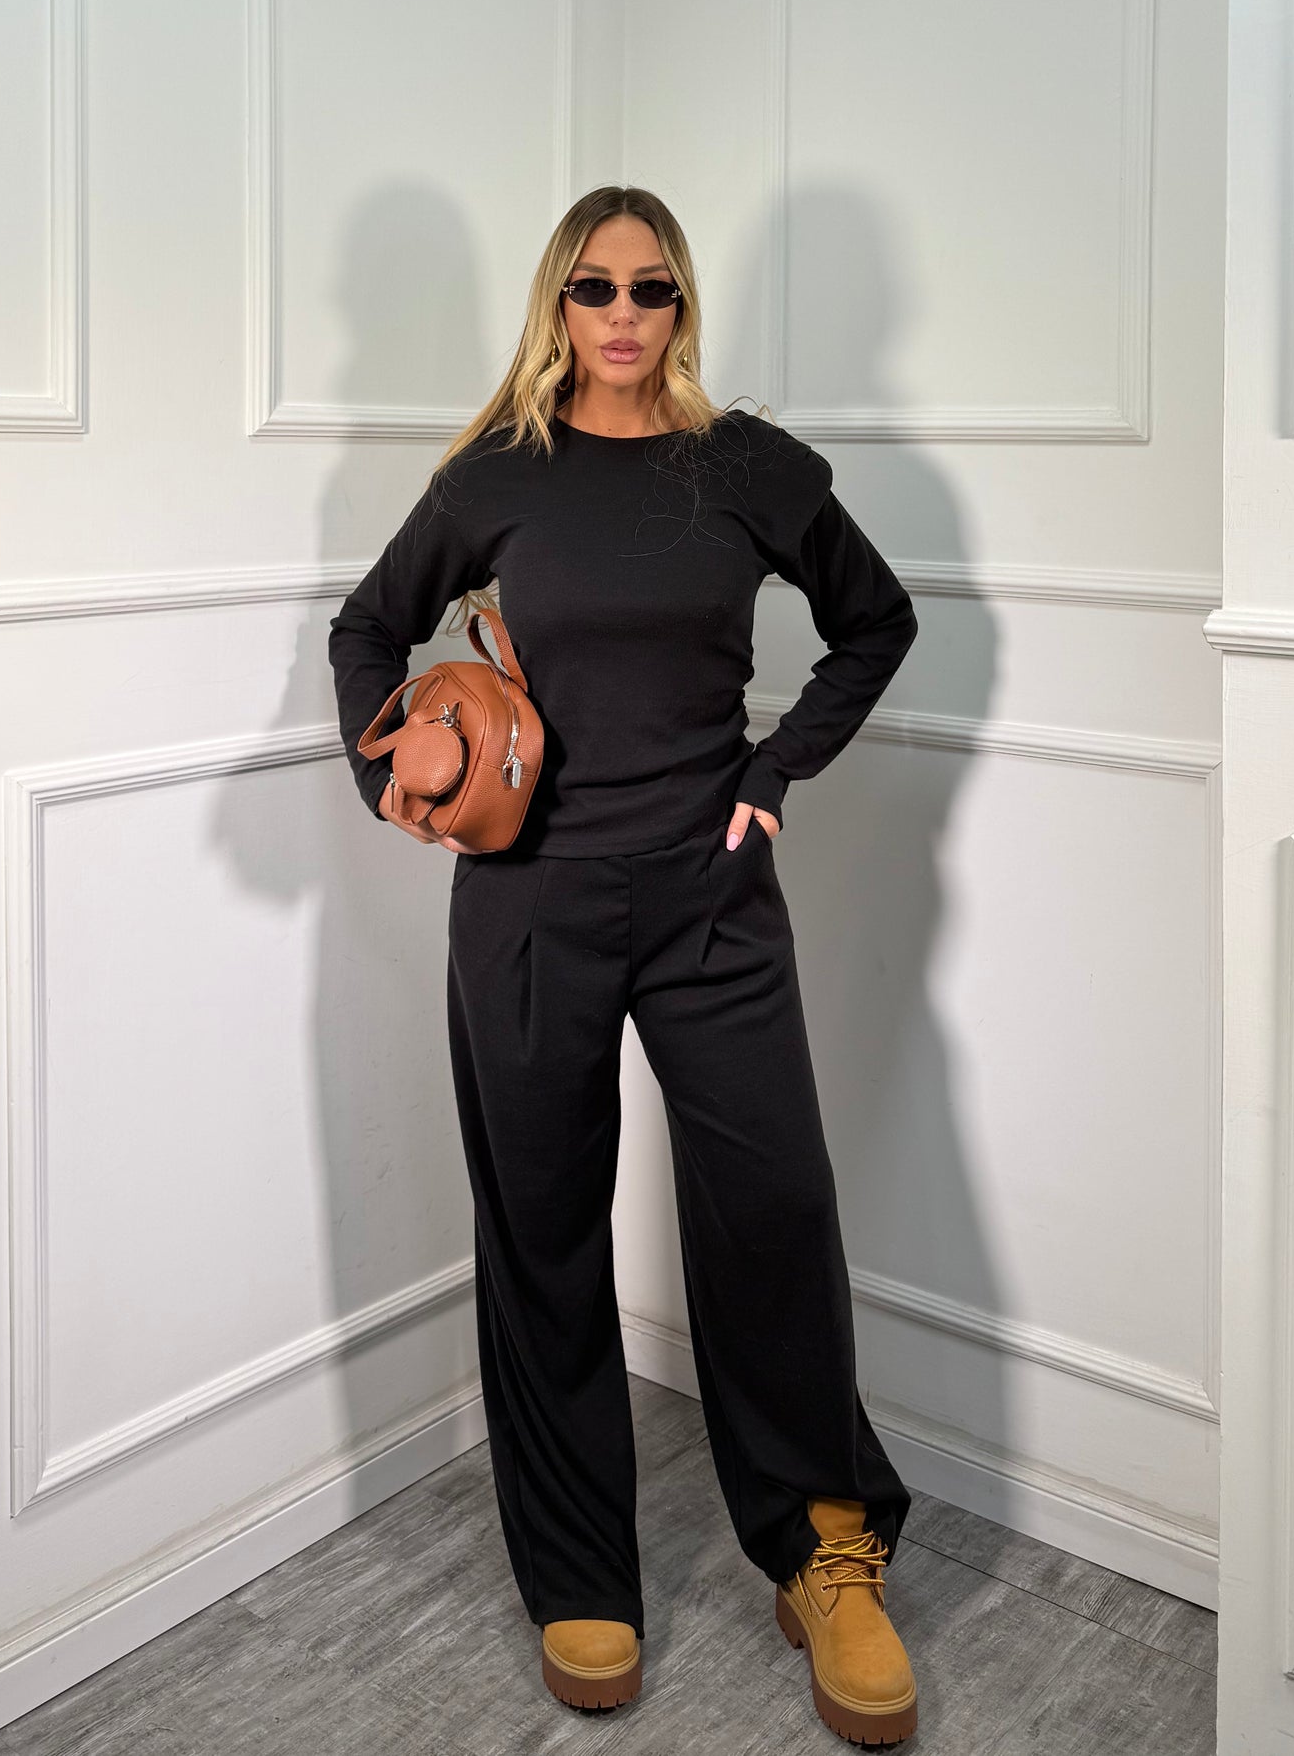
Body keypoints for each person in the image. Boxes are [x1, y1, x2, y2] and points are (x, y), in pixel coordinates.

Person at [328, 184, 921, 1745]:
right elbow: (366, 631)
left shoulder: (745, 465)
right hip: (528, 902)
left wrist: (773, 771)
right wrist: (392, 776)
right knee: (542, 1229)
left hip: (710, 899)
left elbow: (874, 621)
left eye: (650, 289)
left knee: (772, 1208)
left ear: (680, 306)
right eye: (593, 288)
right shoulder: (495, 475)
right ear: (556, 303)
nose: (621, 315)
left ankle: (823, 1549)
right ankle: (580, 1570)